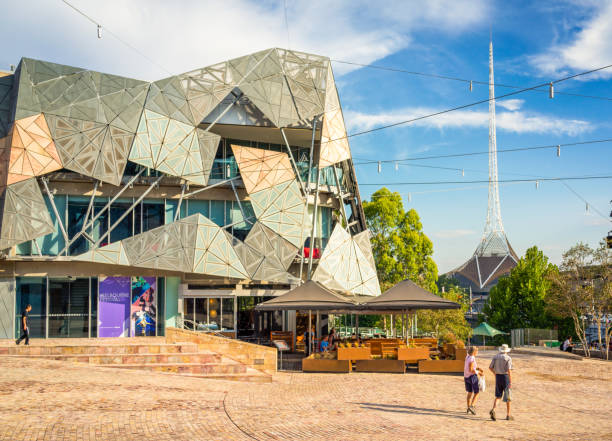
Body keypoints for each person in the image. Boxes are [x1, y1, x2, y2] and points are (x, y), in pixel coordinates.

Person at [489, 344, 513, 421]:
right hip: (505, 377)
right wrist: (510, 381)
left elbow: (490, 367)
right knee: (508, 397)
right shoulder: (508, 358)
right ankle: (508, 415)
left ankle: (494, 409)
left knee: (498, 396)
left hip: (498, 377)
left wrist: (495, 373)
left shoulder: (495, 357)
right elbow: (509, 370)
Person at [464, 346, 483, 415]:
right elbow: (471, 369)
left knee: (469, 392)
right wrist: (479, 372)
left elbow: (470, 366)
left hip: (466, 376)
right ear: (474, 352)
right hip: (472, 377)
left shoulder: (467, 356)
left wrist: (478, 368)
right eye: (477, 351)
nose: (477, 352)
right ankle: (472, 406)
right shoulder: (472, 358)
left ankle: (468, 407)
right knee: (476, 392)